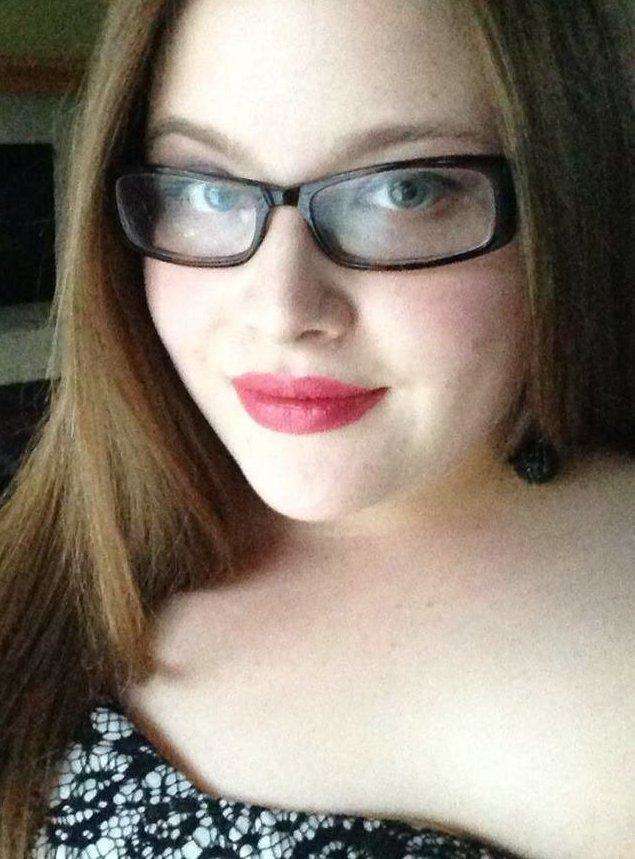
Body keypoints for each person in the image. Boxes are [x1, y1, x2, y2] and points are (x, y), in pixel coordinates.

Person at [0, 1, 632, 856]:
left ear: (570, 203)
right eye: (204, 189)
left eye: (405, 190)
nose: (281, 309)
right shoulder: (81, 522)